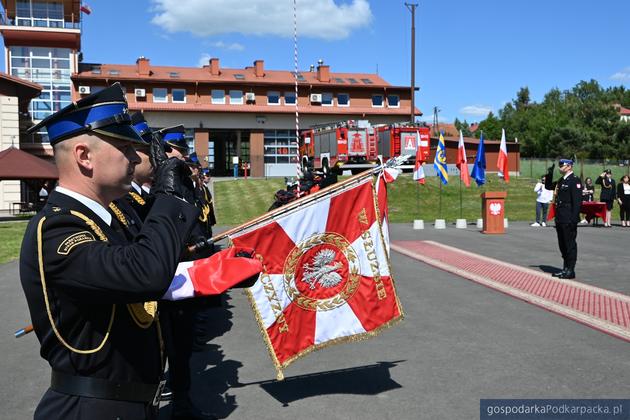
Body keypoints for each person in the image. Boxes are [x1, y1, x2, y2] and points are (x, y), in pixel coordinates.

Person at [19, 83, 202, 420]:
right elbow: (144, 272)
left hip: (128, 403)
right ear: (84, 156)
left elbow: (152, 268)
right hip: (89, 408)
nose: (136, 156)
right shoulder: (57, 230)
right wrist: (170, 199)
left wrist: (212, 274)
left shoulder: (111, 218)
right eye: (123, 146)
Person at [545, 158, 582, 279]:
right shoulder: (562, 180)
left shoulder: (574, 181)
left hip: (569, 217)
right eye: (560, 165)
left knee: (569, 244)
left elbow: (577, 203)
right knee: (562, 244)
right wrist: (549, 174)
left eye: (562, 165)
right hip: (560, 217)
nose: (560, 167)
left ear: (569, 166)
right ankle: (565, 268)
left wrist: (574, 219)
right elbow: (549, 186)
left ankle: (570, 270)